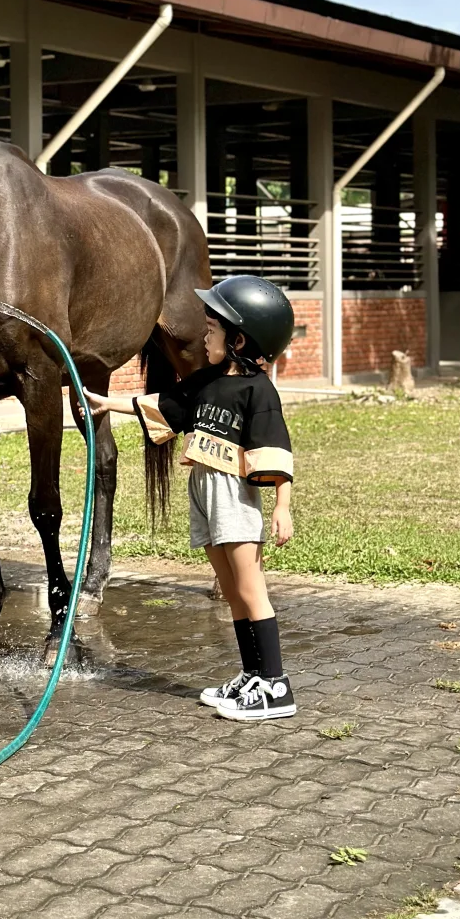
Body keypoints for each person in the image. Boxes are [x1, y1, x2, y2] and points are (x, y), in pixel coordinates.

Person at [84, 275, 297, 721]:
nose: (205, 333)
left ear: (239, 338)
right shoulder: (207, 381)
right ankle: (252, 674)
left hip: (234, 495)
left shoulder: (258, 391)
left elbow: (276, 450)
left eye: (213, 328)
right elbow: (165, 403)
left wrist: (282, 507)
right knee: (233, 592)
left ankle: (276, 686)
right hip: (202, 488)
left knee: (250, 588)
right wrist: (104, 401)